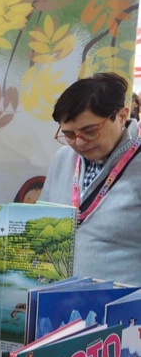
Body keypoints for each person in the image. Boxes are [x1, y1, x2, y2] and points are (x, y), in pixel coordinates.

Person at [40, 72, 141, 284]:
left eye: (90, 131)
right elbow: (42, 224)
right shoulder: (63, 159)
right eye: (69, 135)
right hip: (57, 301)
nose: (80, 143)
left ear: (122, 116)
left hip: (121, 309)